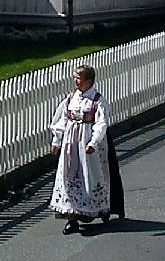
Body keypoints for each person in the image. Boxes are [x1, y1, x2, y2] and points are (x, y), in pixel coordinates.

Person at [49, 64, 125, 233]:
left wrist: (93, 143)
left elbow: (101, 124)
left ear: (88, 81)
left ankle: (101, 209)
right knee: (69, 177)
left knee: (91, 176)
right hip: (71, 145)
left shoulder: (97, 101)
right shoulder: (70, 98)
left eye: (79, 79)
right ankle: (72, 218)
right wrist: (56, 141)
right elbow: (62, 119)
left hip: (87, 144)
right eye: (75, 78)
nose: (75, 82)